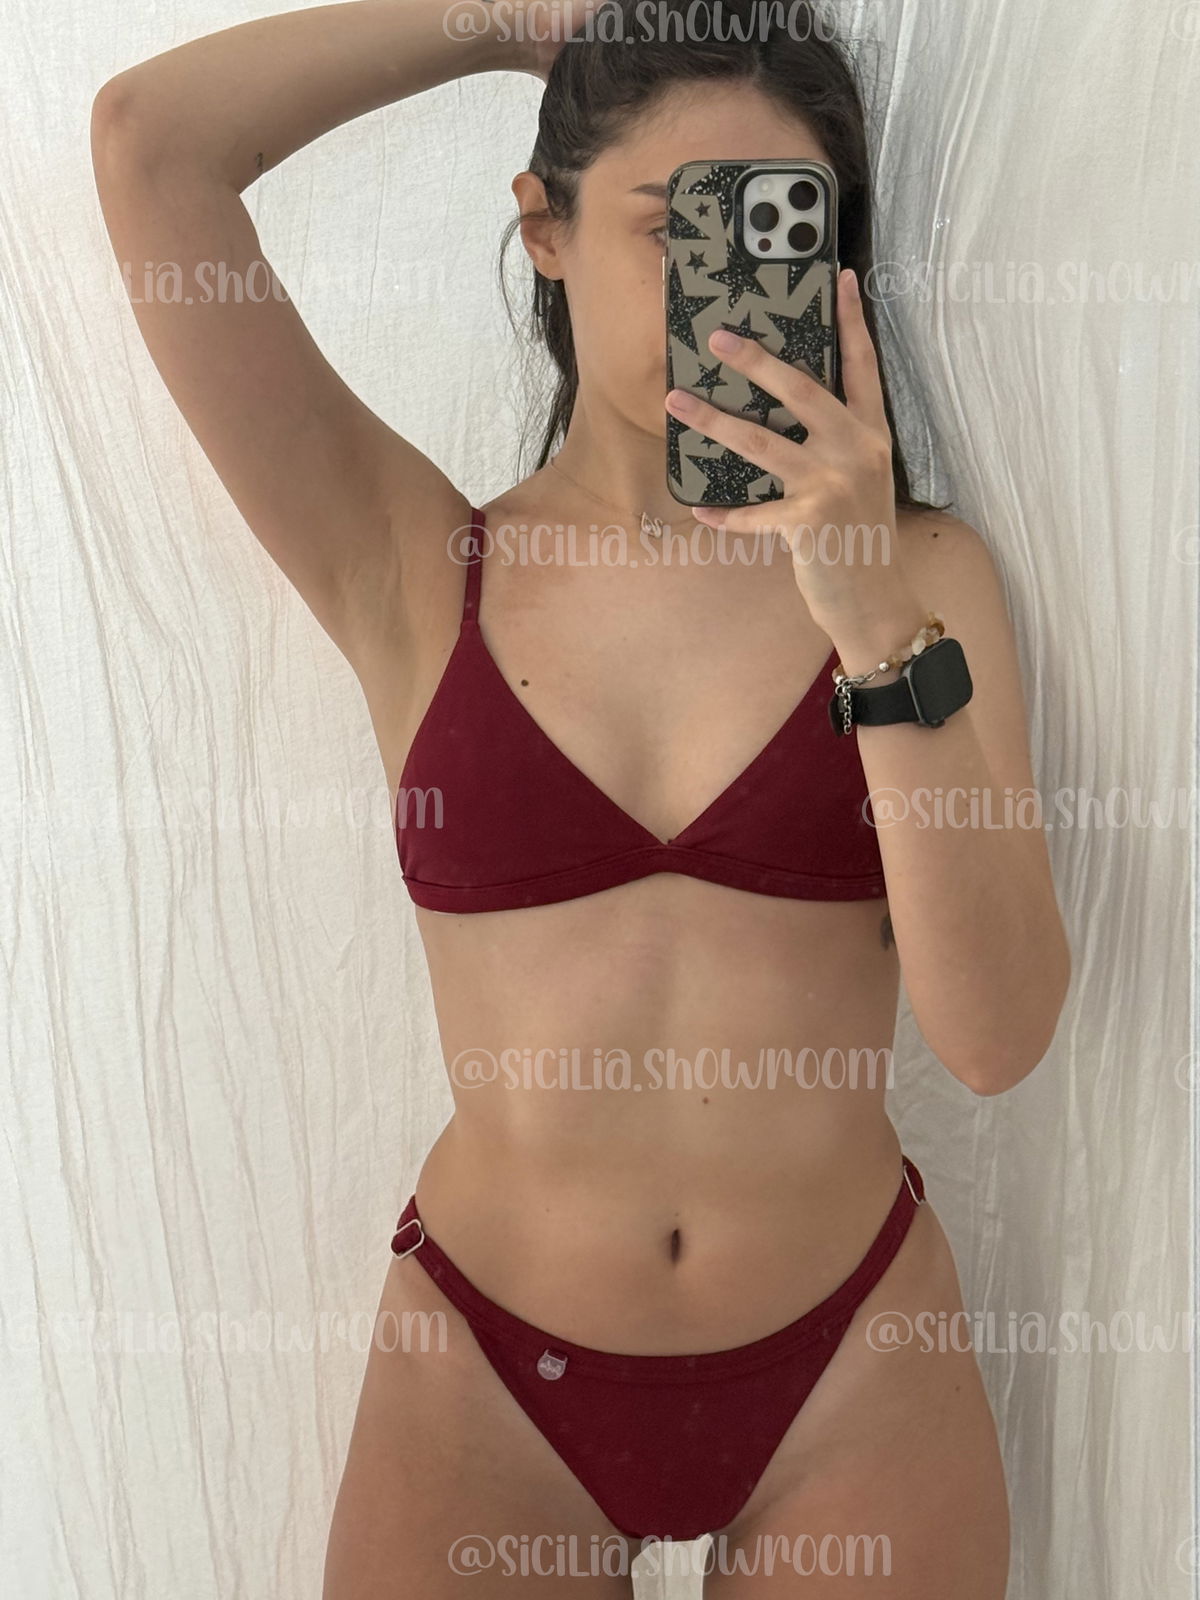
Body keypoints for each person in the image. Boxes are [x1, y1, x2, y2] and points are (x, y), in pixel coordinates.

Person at [91, 0, 1071, 1593]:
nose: (724, 291)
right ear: (543, 229)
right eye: (675, 225)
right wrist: (500, 22)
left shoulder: (922, 576)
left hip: (852, 1370)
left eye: (778, 228)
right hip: (491, 1378)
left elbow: (998, 1035)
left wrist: (867, 614)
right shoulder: (416, 565)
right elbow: (152, 149)